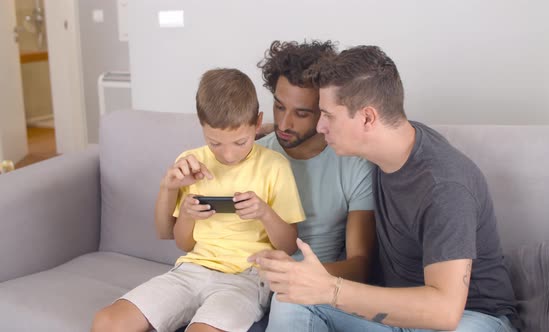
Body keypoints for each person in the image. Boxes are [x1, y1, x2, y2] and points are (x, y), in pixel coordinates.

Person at [250, 46, 519, 332]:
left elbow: (445, 312)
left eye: (327, 116)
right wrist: (253, 132)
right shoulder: (388, 143)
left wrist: (331, 288)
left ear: (367, 118)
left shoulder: (445, 186)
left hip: (470, 318)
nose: (319, 126)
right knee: (292, 297)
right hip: (391, 314)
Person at [92, 68, 305, 332]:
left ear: (258, 122)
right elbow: (182, 242)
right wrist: (185, 213)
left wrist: (264, 212)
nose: (228, 155)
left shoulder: (274, 166)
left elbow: (287, 246)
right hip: (192, 270)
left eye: (240, 142)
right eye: (215, 143)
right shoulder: (191, 163)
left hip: (246, 278)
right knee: (106, 323)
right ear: (201, 126)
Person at [255, 40, 377, 330]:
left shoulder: (354, 164)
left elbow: (360, 264)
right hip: (249, 283)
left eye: (301, 113)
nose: (284, 124)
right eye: (278, 106)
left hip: (314, 289)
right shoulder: (256, 153)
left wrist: (297, 275)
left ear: (324, 110)